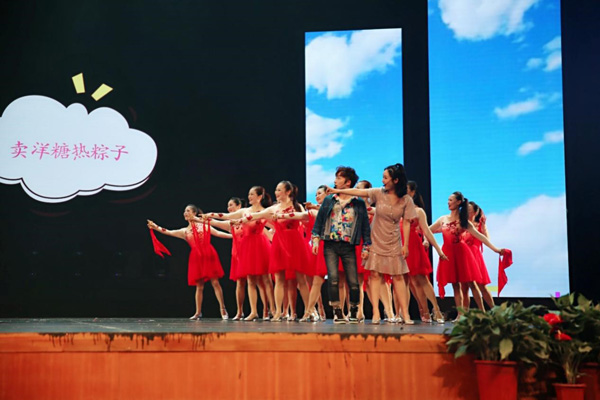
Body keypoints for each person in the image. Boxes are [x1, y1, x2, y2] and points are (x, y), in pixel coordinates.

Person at [326, 163, 415, 324]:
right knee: (374, 275)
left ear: (395, 180)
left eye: (386, 178)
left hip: (394, 239)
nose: (382, 181)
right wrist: (336, 190)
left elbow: (407, 222)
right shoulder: (379, 193)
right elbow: (360, 192)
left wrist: (406, 245)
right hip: (376, 237)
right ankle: (375, 313)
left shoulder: (406, 200)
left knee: (398, 276)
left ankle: (406, 314)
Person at [200, 187, 275, 321]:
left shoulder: (265, 212)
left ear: (259, 196)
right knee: (250, 280)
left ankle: (271, 310)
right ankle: (253, 311)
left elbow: (275, 225)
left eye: (252, 194)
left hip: (260, 245)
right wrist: (210, 214)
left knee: (265, 280)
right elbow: (226, 216)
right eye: (249, 194)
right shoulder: (244, 211)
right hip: (247, 246)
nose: (249, 196)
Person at [241, 181, 312, 321]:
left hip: (294, 243)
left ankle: (308, 311)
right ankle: (278, 311)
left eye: (279, 190)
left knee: (301, 279)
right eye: (276, 190)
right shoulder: (274, 208)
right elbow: (256, 215)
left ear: (288, 192)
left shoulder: (297, 206)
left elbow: (305, 219)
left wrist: (284, 216)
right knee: (279, 279)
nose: (276, 192)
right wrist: (240, 220)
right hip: (280, 243)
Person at [147, 204, 231, 320]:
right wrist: (155, 227)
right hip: (196, 258)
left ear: (194, 213)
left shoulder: (203, 225)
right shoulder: (185, 231)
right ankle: (198, 312)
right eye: (184, 211)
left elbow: (218, 233)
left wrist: (233, 236)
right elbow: (168, 232)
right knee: (199, 286)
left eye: (188, 211)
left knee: (215, 282)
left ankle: (222, 308)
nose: (185, 213)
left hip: (208, 254)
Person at [429, 192, 504, 318]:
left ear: (458, 202)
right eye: (448, 200)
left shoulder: (464, 222)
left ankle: (484, 312)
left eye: (451, 200)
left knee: (471, 284)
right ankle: (460, 315)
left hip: (462, 254)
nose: (448, 202)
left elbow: (481, 237)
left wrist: (496, 249)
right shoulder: (443, 219)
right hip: (448, 254)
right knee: (455, 286)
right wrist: (425, 239)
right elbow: (428, 230)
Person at [312, 166, 372, 324]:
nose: (335, 180)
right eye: (336, 177)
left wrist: (366, 247)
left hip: (349, 245)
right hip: (330, 244)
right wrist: (316, 239)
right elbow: (319, 222)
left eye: (339, 178)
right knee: (332, 279)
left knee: (353, 282)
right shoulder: (329, 200)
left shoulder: (358, 203)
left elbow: (365, 227)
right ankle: (337, 311)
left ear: (348, 182)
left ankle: (353, 311)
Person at [405, 181, 448, 323]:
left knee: (422, 279)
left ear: (412, 192)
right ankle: (424, 311)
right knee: (412, 281)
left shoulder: (418, 211)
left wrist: (439, 250)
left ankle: (436, 309)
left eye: (406, 190)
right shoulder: (398, 208)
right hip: (400, 245)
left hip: (413, 246)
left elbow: (427, 231)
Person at [461, 201, 495, 310]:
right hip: (463, 258)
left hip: (475, 258)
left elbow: (487, 239)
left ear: (475, 212)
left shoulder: (478, 225)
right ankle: (463, 314)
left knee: (482, 286)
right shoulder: (462, 225)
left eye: (469, 211)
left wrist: (483, 226)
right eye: (466, 210)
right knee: (464, 288)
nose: (467, 213)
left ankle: (494, 310)